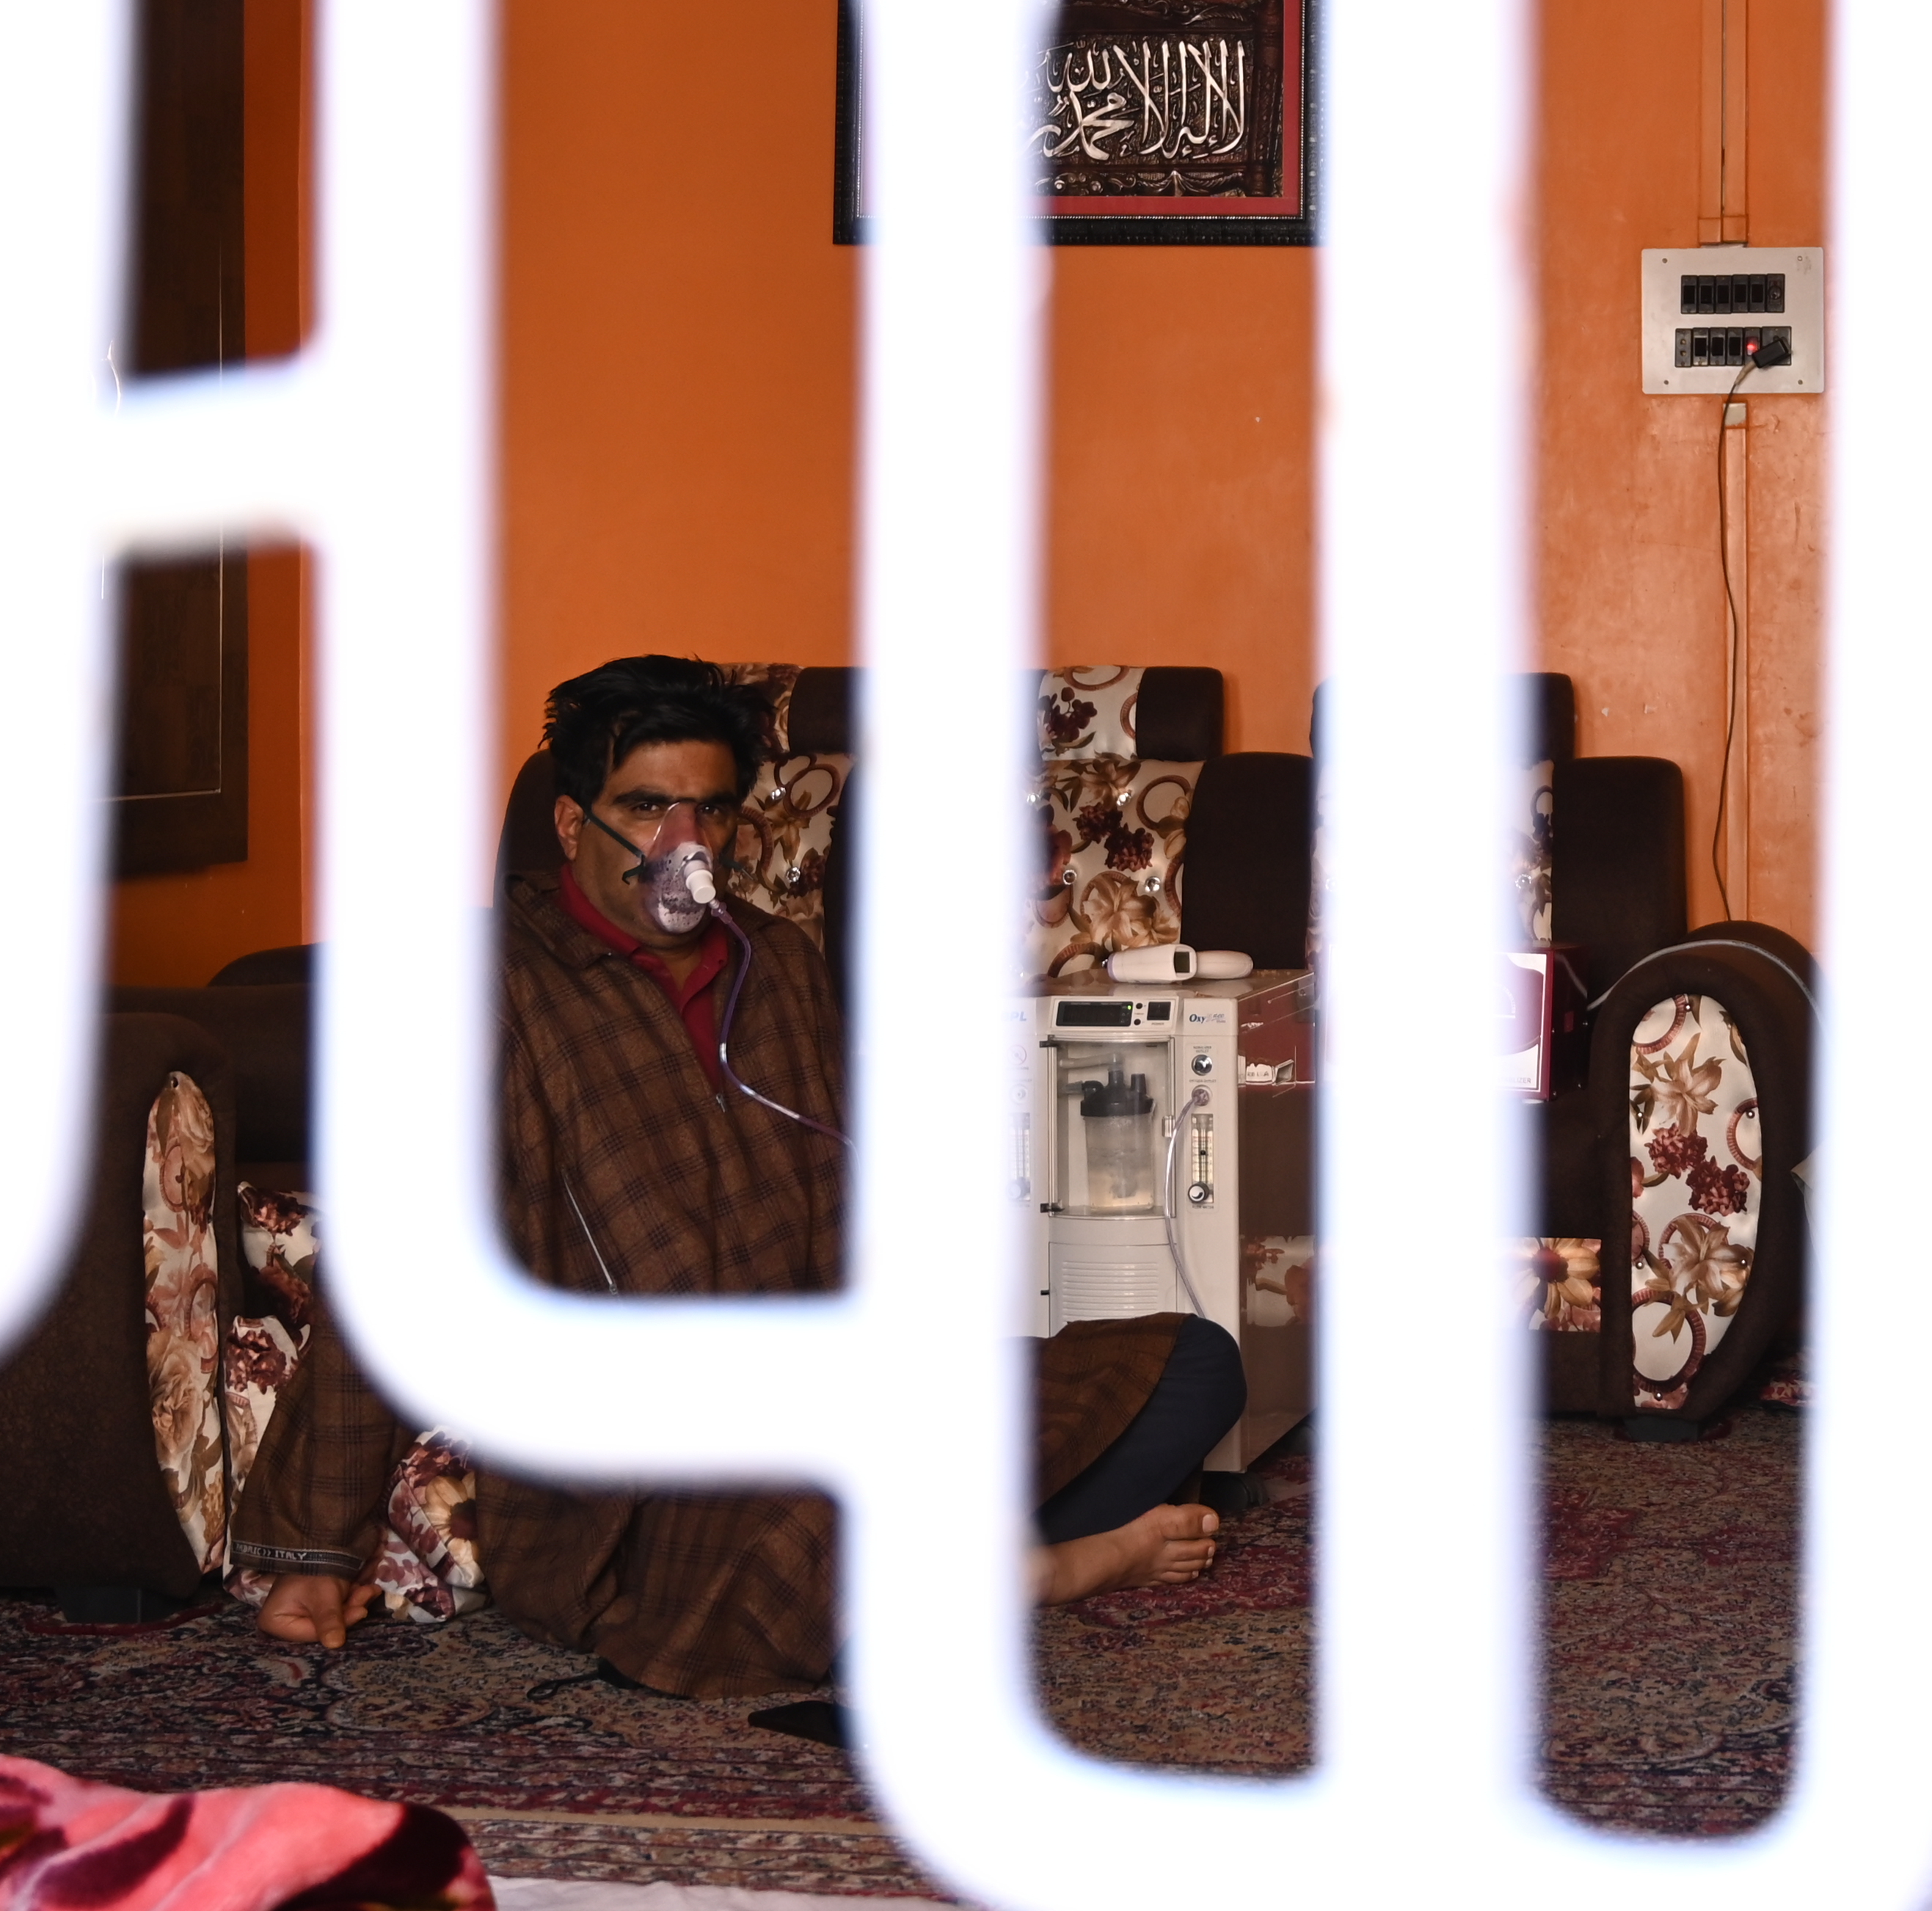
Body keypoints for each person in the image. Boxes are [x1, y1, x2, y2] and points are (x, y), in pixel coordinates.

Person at [240, 656, 1242, 1692]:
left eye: (711, 811)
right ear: (573, 825)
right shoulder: (484, 992)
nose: (685, 841)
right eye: (647, 807)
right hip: (636, 1476)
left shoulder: (779, 964)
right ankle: (1038, 1569)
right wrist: (316, 1550)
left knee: (1189, 1363)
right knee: (802, 1535)